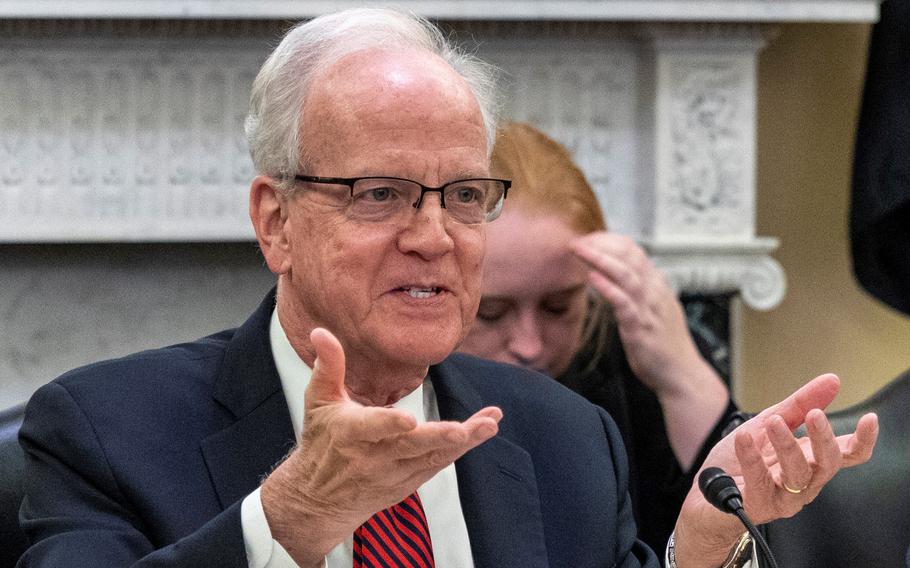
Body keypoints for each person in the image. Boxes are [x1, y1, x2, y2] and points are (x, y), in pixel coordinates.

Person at [16, 7, 878, 568]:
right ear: (276, 222)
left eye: (464, 196)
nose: (432, 238)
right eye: (379, 194)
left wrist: (702, 538)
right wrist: (286, 521)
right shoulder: (102, 430)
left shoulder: (567, 440)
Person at [458, 121, 734, 553]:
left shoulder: (630, 350)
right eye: (490, 313)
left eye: (558, 307)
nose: (529, 347)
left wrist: (682, 377)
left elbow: (745, 532)